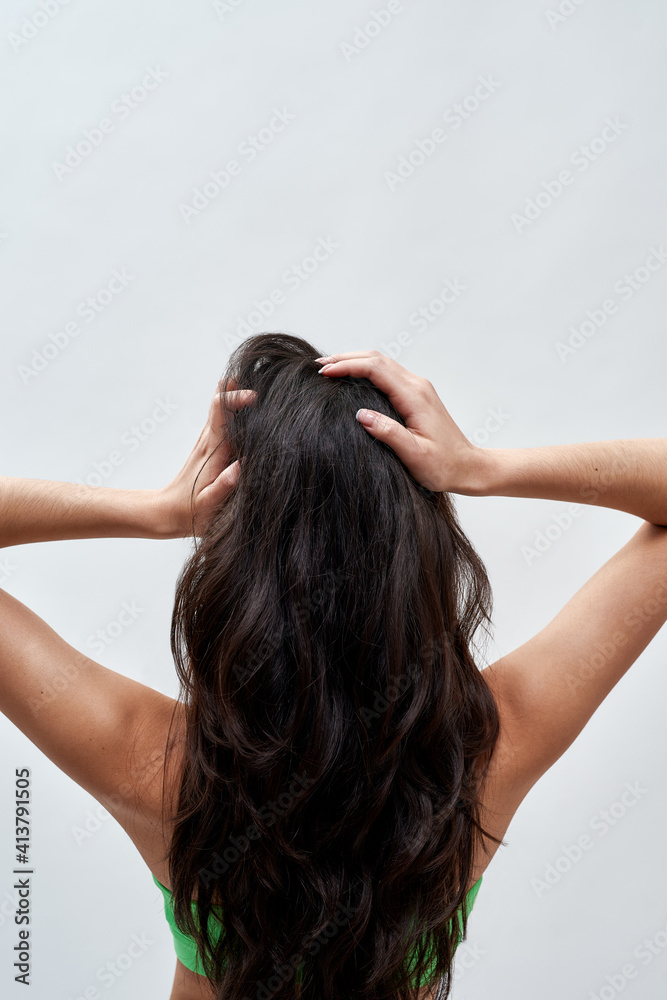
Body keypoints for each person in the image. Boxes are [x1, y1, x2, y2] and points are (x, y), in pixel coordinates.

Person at [1, 333, 666, 1000]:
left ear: (239, 570)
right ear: (418, 554)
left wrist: (156, 512)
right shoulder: (487, 751)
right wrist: (477, 467)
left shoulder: (153, 763)